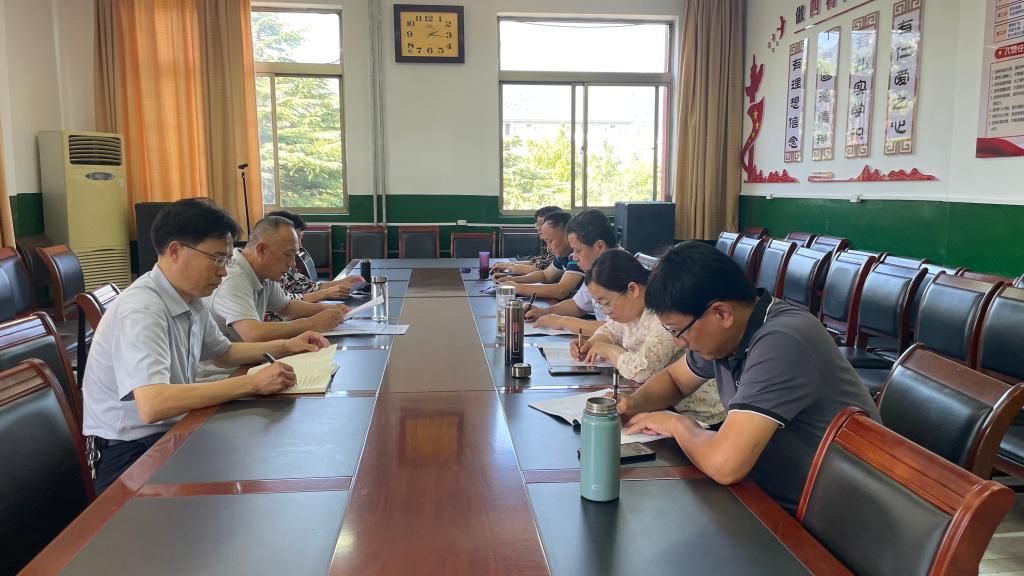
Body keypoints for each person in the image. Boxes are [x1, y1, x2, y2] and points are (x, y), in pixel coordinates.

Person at [81, 198, 330, 493]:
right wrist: (251, 383)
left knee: (269, 454)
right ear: (175, 251)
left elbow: (225, 353)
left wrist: (288, 345)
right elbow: (153, 404)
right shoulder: (142, 309)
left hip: (170, 432)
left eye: (226, 260)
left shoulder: (190, 299)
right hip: (128, 454)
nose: (224, 272)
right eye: (217, 259)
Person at [619, 241, 881, 513]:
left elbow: (725, 464)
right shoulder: (729, 333)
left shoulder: (781, 341)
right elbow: (676, 380)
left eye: (678, 330)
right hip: (768, 487)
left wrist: (676, 424)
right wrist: (632, 403)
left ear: (722, 313)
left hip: (827, 514)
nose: (678, 342)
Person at [573, 249, 725, 427]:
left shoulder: (664, 314)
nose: (606, 312)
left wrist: (607, 349)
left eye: (606, 303)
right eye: (600, 305)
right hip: (663, 405)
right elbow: (610, 330)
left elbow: (642, 370)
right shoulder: (630, 312)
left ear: (632, 289)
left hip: (699, 416)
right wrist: (592, 343)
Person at [206, 215, 351, 343]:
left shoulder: (264, 272)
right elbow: (253, 334)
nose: (293, 263)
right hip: (231, 365)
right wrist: (312, 323)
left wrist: (328, 309)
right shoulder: (233, 278)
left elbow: (285, 307)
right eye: (288, 254)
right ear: (262, 250)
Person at [526, 209, 615, 337]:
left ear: (599, 247)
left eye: (578, 250)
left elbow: (615, 329)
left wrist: (563, 322)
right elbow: (578, 305)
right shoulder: (597, 270)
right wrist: (544, 312)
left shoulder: (620, 271)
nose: (574, 257)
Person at [265, 210, 363, 305]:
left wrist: (344, 282)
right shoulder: (266, 271)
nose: (300, 246)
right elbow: (282, 302)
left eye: (300, 238)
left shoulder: (286, 264)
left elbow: (309, 286)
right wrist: (325, 293)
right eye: (296, 238)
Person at [495, 211, 583, 300]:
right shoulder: (563, 254)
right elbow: (545, 275)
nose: (548, 248)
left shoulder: (578, 256)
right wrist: (513, 280)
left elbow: (561, 291)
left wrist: (516, 287)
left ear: (568, 235)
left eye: (550, 241)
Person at [491, 205, 562, 278]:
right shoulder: (547, 244)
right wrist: (505, 264)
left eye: (541, 223)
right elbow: (533, 262)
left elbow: (533, 270)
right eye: (537, 224)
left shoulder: (558, 248)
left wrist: (506, 266)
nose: (538, 228)